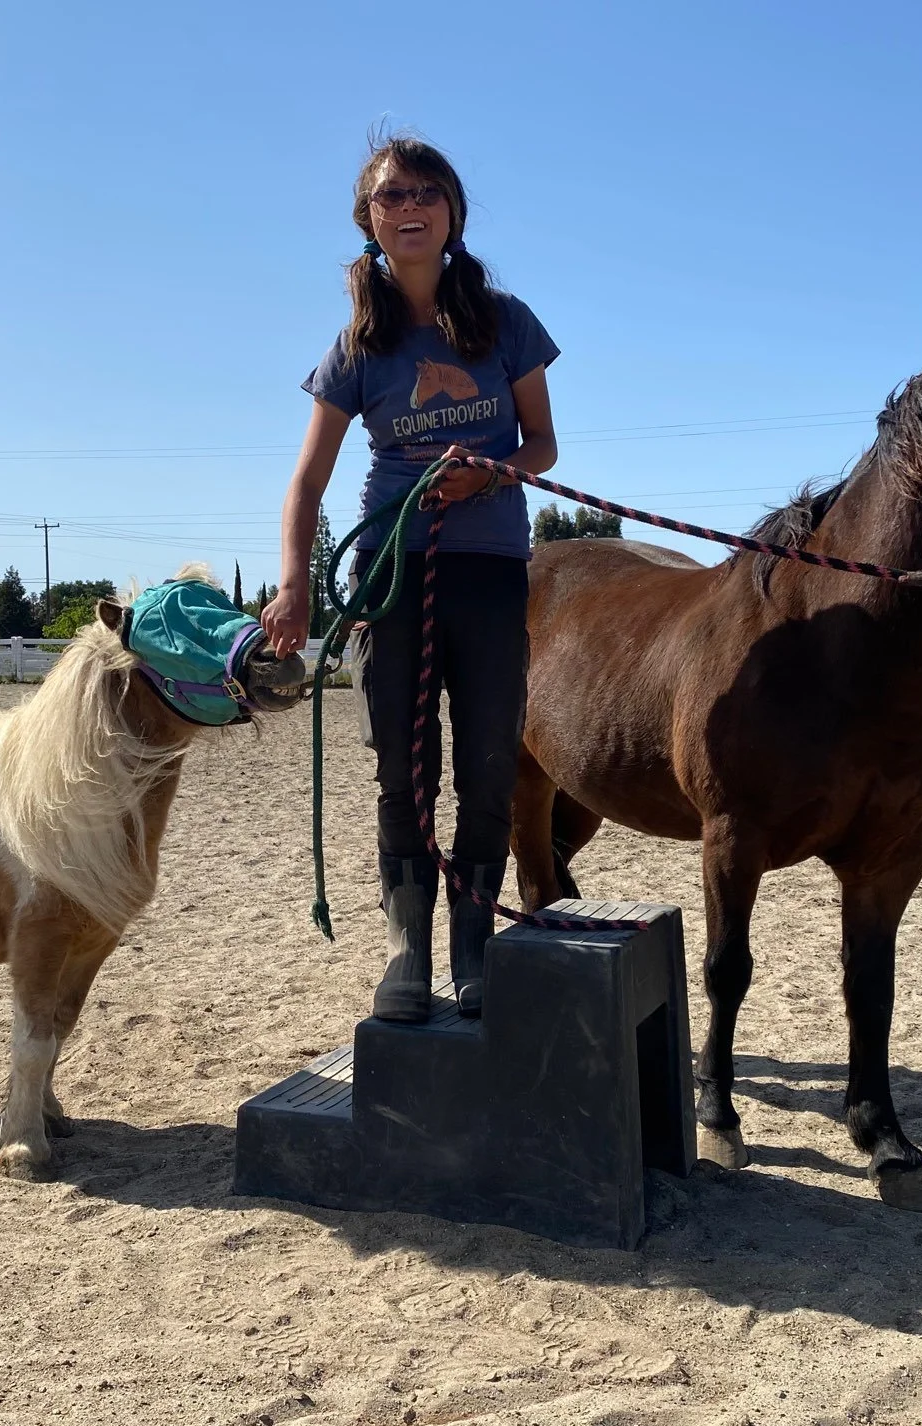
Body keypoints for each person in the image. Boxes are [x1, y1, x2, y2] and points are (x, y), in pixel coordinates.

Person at [262, 136, 559, 1025]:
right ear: (371, 221)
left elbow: (543, 445)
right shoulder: (358, 346)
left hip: (492, 566)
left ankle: (473, 944)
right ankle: (408, 949)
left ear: (453, 214)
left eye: (428, 191)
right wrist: (294, 584)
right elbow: (308, 480)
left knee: (490, 764)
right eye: (392, 195)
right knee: (405, 767)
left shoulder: (506, 322)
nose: (410, 205)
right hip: (394, 566)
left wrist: (497, 473)